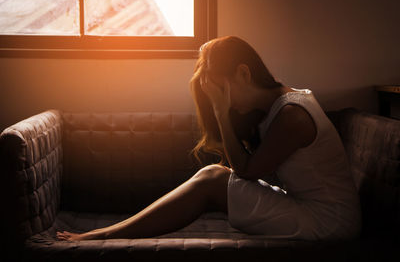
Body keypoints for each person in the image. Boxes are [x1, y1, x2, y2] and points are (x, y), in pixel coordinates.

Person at [57, 36, 361, 241]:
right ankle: (111, 233)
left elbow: (246, 171)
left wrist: (221, 112)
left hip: (328, 222)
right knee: (213, 175)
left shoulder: (292, 115)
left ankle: (107, 236)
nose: (222, 101)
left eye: (221, 90)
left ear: (243, 74)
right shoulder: (276, 104)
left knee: (213, 179)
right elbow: (248, 168)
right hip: (310, 208)